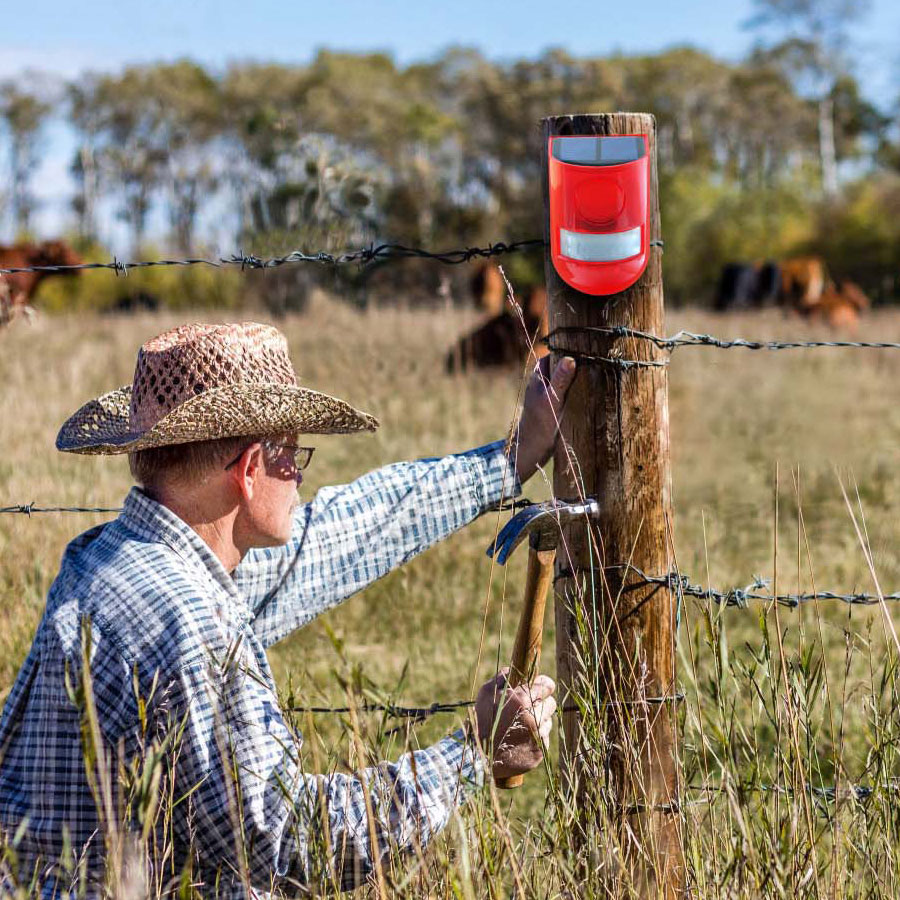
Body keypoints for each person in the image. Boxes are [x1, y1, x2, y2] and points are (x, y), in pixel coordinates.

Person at [0, 321, 576, 897]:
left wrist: (512, 457)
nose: (300, 476)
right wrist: (472, 754)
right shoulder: (193, 622)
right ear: (251, 469)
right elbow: (287, 842)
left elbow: (341, 534)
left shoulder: (110, 560)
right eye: (294, 453)